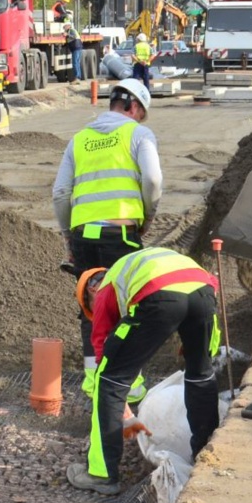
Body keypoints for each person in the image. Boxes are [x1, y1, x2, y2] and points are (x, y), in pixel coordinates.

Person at [66, 248, 222, 495]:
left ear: (91, 291)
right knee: (200, 375)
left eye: (91, 310)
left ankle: (101, 474)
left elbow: (102, 349)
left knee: (108, 382)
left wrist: (115, 390)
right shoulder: (134, 268)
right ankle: (205, 454)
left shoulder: (106, 287)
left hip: (159, 296)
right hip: (202, 291)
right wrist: (199, 345)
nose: (95, 315)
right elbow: (210, 286)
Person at [52, 78, 161, 371]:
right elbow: (152, 180)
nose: (140, 118)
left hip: (83, 239)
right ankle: (123, 376)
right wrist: (147, 218)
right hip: (120, 234)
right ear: (134, 106)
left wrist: (68, 239)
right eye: (141, 112)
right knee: (127, 305)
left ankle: (93, 376)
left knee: (91, 305)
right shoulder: (139, 134)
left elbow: (61, 192)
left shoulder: (79, 139)